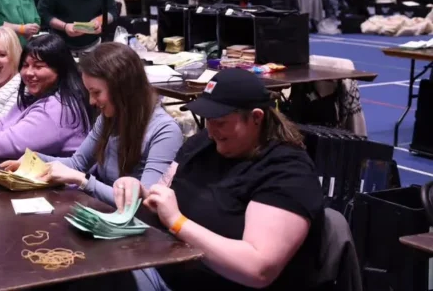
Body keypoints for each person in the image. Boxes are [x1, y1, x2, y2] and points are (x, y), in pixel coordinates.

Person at [119, 69, 324, 291]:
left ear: (256, 118)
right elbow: (162, 196)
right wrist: (141, 193)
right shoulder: (203, 144)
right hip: (161, 269)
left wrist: (177, 223)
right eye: (208, 120)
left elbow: (258, 269)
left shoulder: (287, 171)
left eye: (221, 122)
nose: (211, 131)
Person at [2, 43, 183, 207]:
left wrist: (84, 181)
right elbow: (77, 163)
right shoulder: (109, 118)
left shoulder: (165, 131)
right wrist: (34, 159)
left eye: (96, 93)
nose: (91, 101)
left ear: (122, 90)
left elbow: (145, 203)